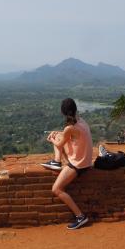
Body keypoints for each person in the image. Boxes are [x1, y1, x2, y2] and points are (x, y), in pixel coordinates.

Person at [41, 98, 93, 230]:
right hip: (86, 160)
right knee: (59, 136)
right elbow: (70, 134)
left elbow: (59, 144)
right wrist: (58, 133)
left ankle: (80, 216)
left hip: (78, 164)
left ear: (63, 112)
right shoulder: (81, 121)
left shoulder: (70, 127)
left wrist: (52, 139)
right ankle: (56, 162)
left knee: (56, 189)